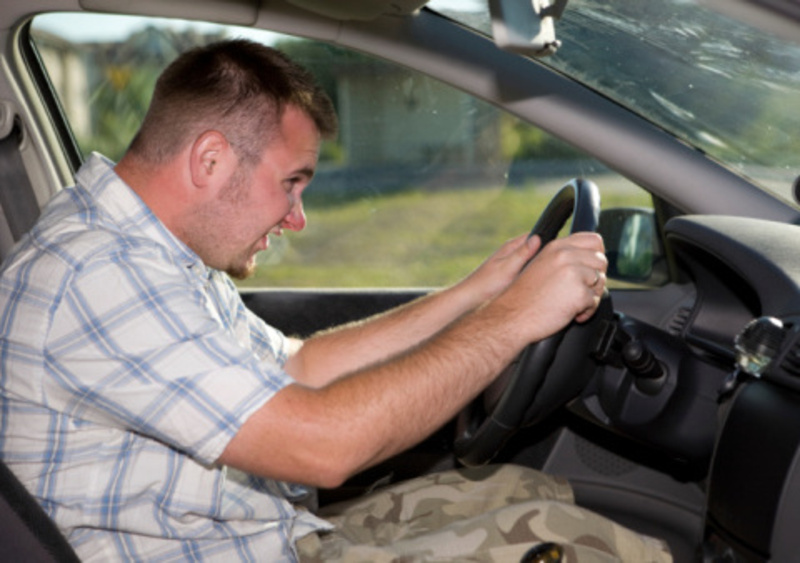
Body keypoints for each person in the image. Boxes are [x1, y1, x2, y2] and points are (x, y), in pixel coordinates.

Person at [0, 39, 671, 561]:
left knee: (526, 493)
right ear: (209, 161)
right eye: (292, 182)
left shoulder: (153, 253)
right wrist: (514, 318)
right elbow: (323, 445)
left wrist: (476, 293)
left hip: (269, 532)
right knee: (582, 545)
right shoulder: (98, 273)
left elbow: (302, 368)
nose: (298, 218)